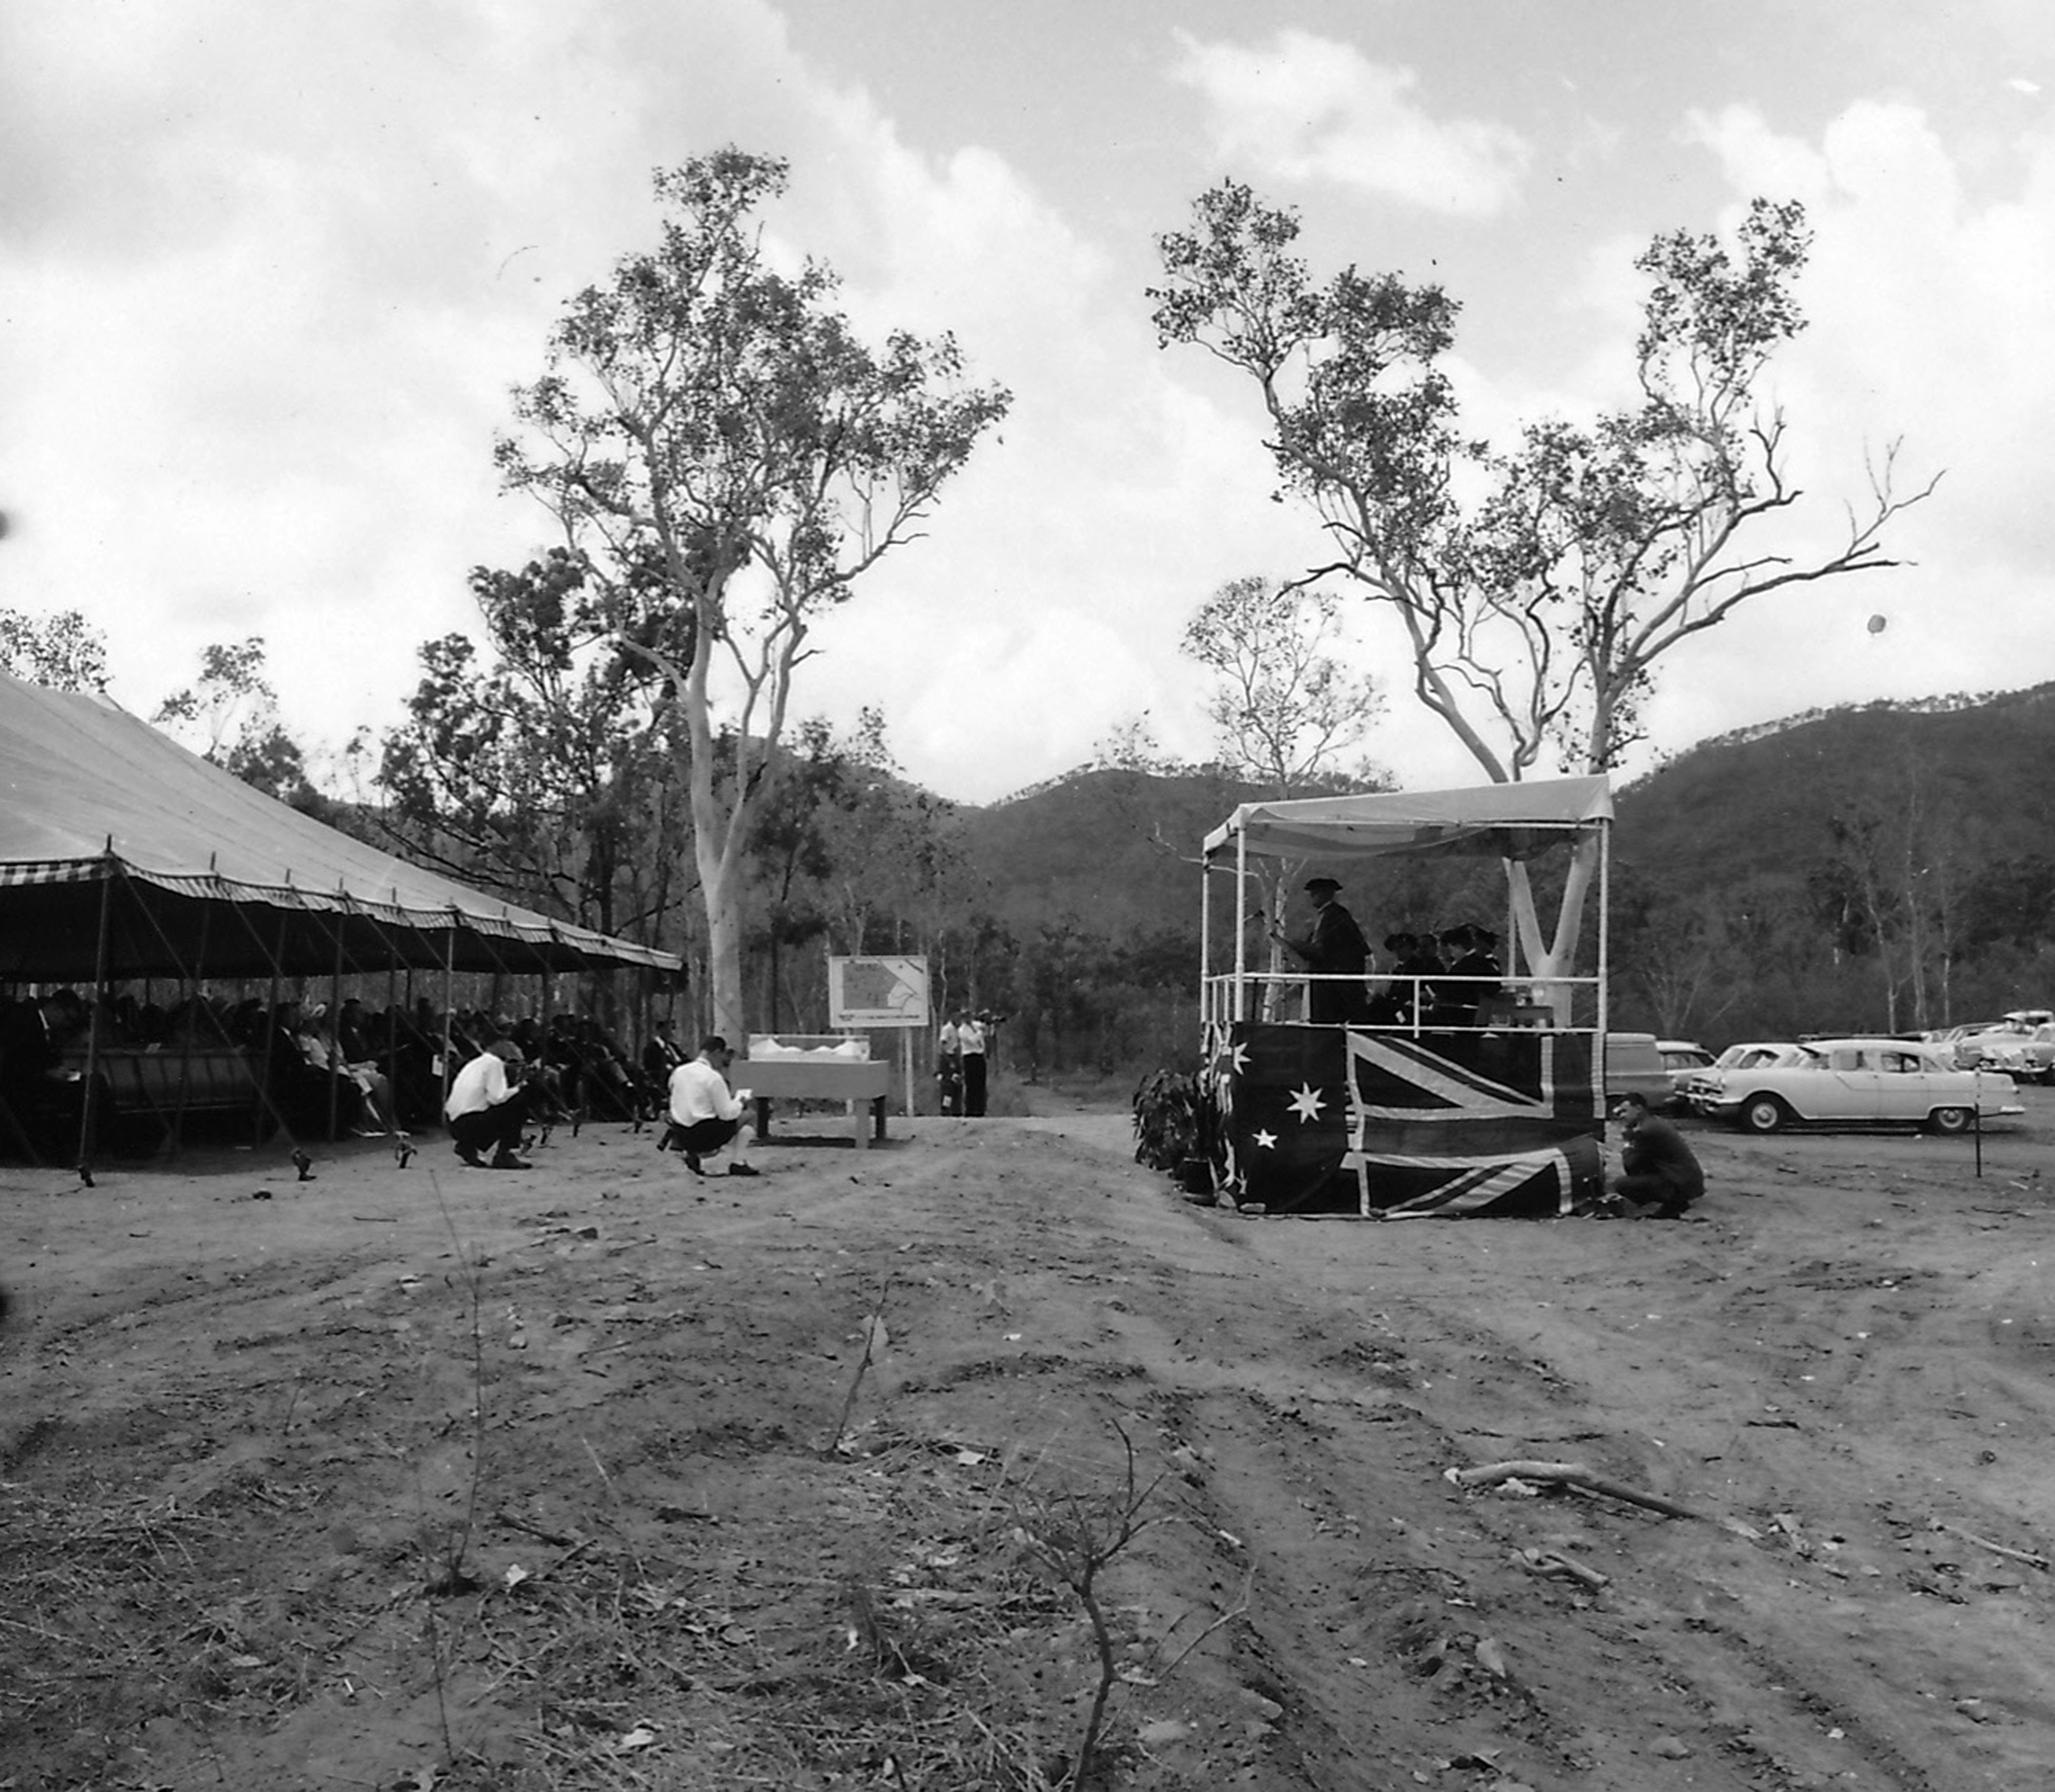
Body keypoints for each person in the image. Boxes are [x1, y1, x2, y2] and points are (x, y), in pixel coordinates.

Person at [1272, 876, 1373, 1024]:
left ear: (1325, 894)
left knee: (1328, 1023)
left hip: (1336, 986)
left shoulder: (1333, 916)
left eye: (1315, 894)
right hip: (1335, 982)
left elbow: (1320, 951)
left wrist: (1291, 944)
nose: (1312, 898)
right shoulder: (1333, 915)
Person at [663, 1035, 760, 1177]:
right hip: (706, 1136)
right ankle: (738, 1163)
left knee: (692, 1115)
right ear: (716, 1053)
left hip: (681, 1135)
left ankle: (691, 1155)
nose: (724, 1062)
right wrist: (740, 1102)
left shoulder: (678, 1072)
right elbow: (727, 1114)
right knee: (750, 1115)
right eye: (723, 1056)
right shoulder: (713, 1078)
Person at [1606, 1090, 1705, 1219]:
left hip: (1681, 1185)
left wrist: (1628, 1144)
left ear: (1638, 1109)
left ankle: (1668, 1203)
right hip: (1689, 1181)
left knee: (1621, 1184)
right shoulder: (1653, 1122)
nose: (1621, 1117)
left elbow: (1630, 1165)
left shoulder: (1645, 1131)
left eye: (1625, 1112)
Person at [444, 1037, 533, 1169]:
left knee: (502, 1105)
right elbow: (497, 1098)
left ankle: (467, 1146)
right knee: (519, 1101)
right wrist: (519, 1088)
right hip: (469, 1123)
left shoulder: (476, 1063)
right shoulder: (495, 1064)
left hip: (454, 1122)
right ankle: (505, 1154)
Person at [940, 1006, 988, 1116]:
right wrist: (980, 1033)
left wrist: (987, 1022)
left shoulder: (975, 1025)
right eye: (965, 1017)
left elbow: (984, 1027)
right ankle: (966, 1110)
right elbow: (973, 1041)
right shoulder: (961, 1031)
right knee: (967, 1084)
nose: (968, 1019)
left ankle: (979, 1109)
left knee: (980, 1084)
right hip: (968, 1057)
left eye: (969, 1016)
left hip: (978, 1056)